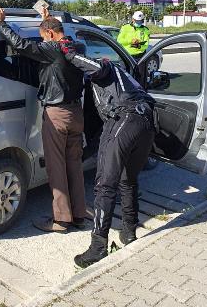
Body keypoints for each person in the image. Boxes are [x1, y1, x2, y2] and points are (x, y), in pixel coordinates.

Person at [0, 4, 87, 233]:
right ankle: (79, 215)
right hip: (76, 113)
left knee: (56, 167)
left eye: (44, 37)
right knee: (74, 165)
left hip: (57, 115)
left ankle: (62, 220)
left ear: (51, 35)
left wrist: (1, 24)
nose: (42, 42)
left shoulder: (52, 49)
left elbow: (21, 45)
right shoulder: (76, 47)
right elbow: (52, 38)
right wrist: (46, 20)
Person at [61, 45, 156, 268]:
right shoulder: (123, 76)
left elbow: (94, 67)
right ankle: (129, 232)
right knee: (127, 179)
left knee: (105, 184)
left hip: (125, 118)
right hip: (147, 122)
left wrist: (69, 54)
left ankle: (98, 248)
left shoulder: (103, 67)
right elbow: (96, 128)